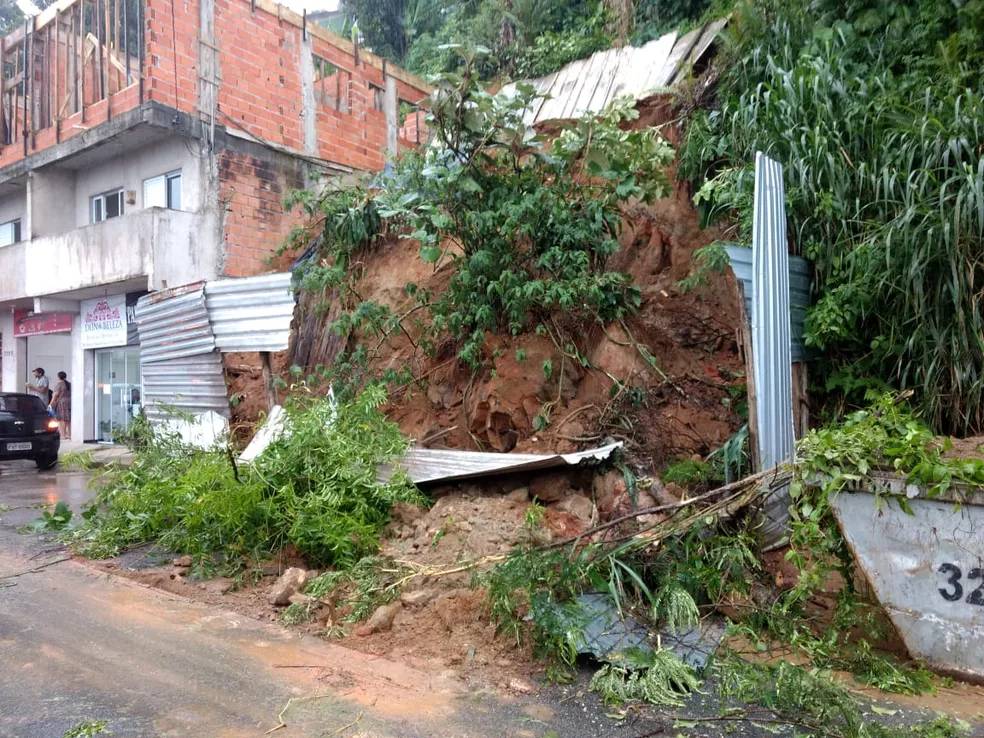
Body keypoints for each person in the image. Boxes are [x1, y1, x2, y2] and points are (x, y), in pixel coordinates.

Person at [50, 371, 71, 440]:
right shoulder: (69, 384)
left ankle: (63, 435)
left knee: (62, 419)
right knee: (68, 419)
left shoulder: (59, 384)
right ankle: (69, 434)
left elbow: (55, 395)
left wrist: (51, 404)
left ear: (58, 377)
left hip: (62, 402)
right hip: (69, 401)